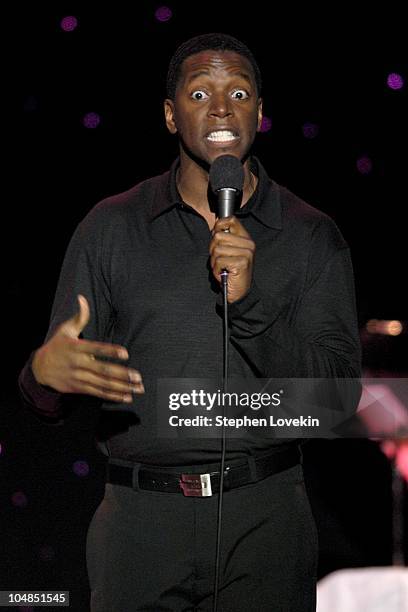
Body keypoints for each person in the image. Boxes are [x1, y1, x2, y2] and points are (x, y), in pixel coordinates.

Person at [19, 33, 361, 611]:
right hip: (140, 526)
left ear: (261, 112)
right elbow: (47, 395)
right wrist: (43, 375)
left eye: (240, 92)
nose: (222, 107)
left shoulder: (310, 235)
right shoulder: (112, 227)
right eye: (200, 92)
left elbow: (337, 401)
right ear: (171, 116)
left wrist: (250, 306)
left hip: (266, 519)